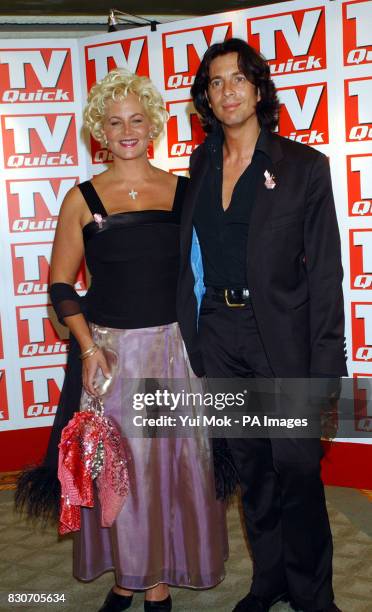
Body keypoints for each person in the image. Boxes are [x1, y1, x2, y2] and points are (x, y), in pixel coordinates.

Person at [176, 38, 347, 612]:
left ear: (258, 88)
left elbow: (326, 278)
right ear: (206, 96)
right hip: (220, 338)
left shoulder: (304, 168)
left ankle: (313, 595)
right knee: (252, 470)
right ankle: (268, 581)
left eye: (237, 79)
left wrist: (327, 374)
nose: (227, 91)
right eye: (215, 82)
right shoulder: (198, 164)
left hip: (283, 341)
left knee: (296, 470)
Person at [49, 68, 227, 612]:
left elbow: (206, 272)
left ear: (153, 123)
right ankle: (128, 576)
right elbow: (60, 285)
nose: (127, 129)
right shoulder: (82, 198)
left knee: (174, 468)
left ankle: (158, 582)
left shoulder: (184, 191)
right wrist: (86, 347)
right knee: (116, 470)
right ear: (99, 130)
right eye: (114, 121)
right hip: (109, 356)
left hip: (174, 351)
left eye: (137, 118)